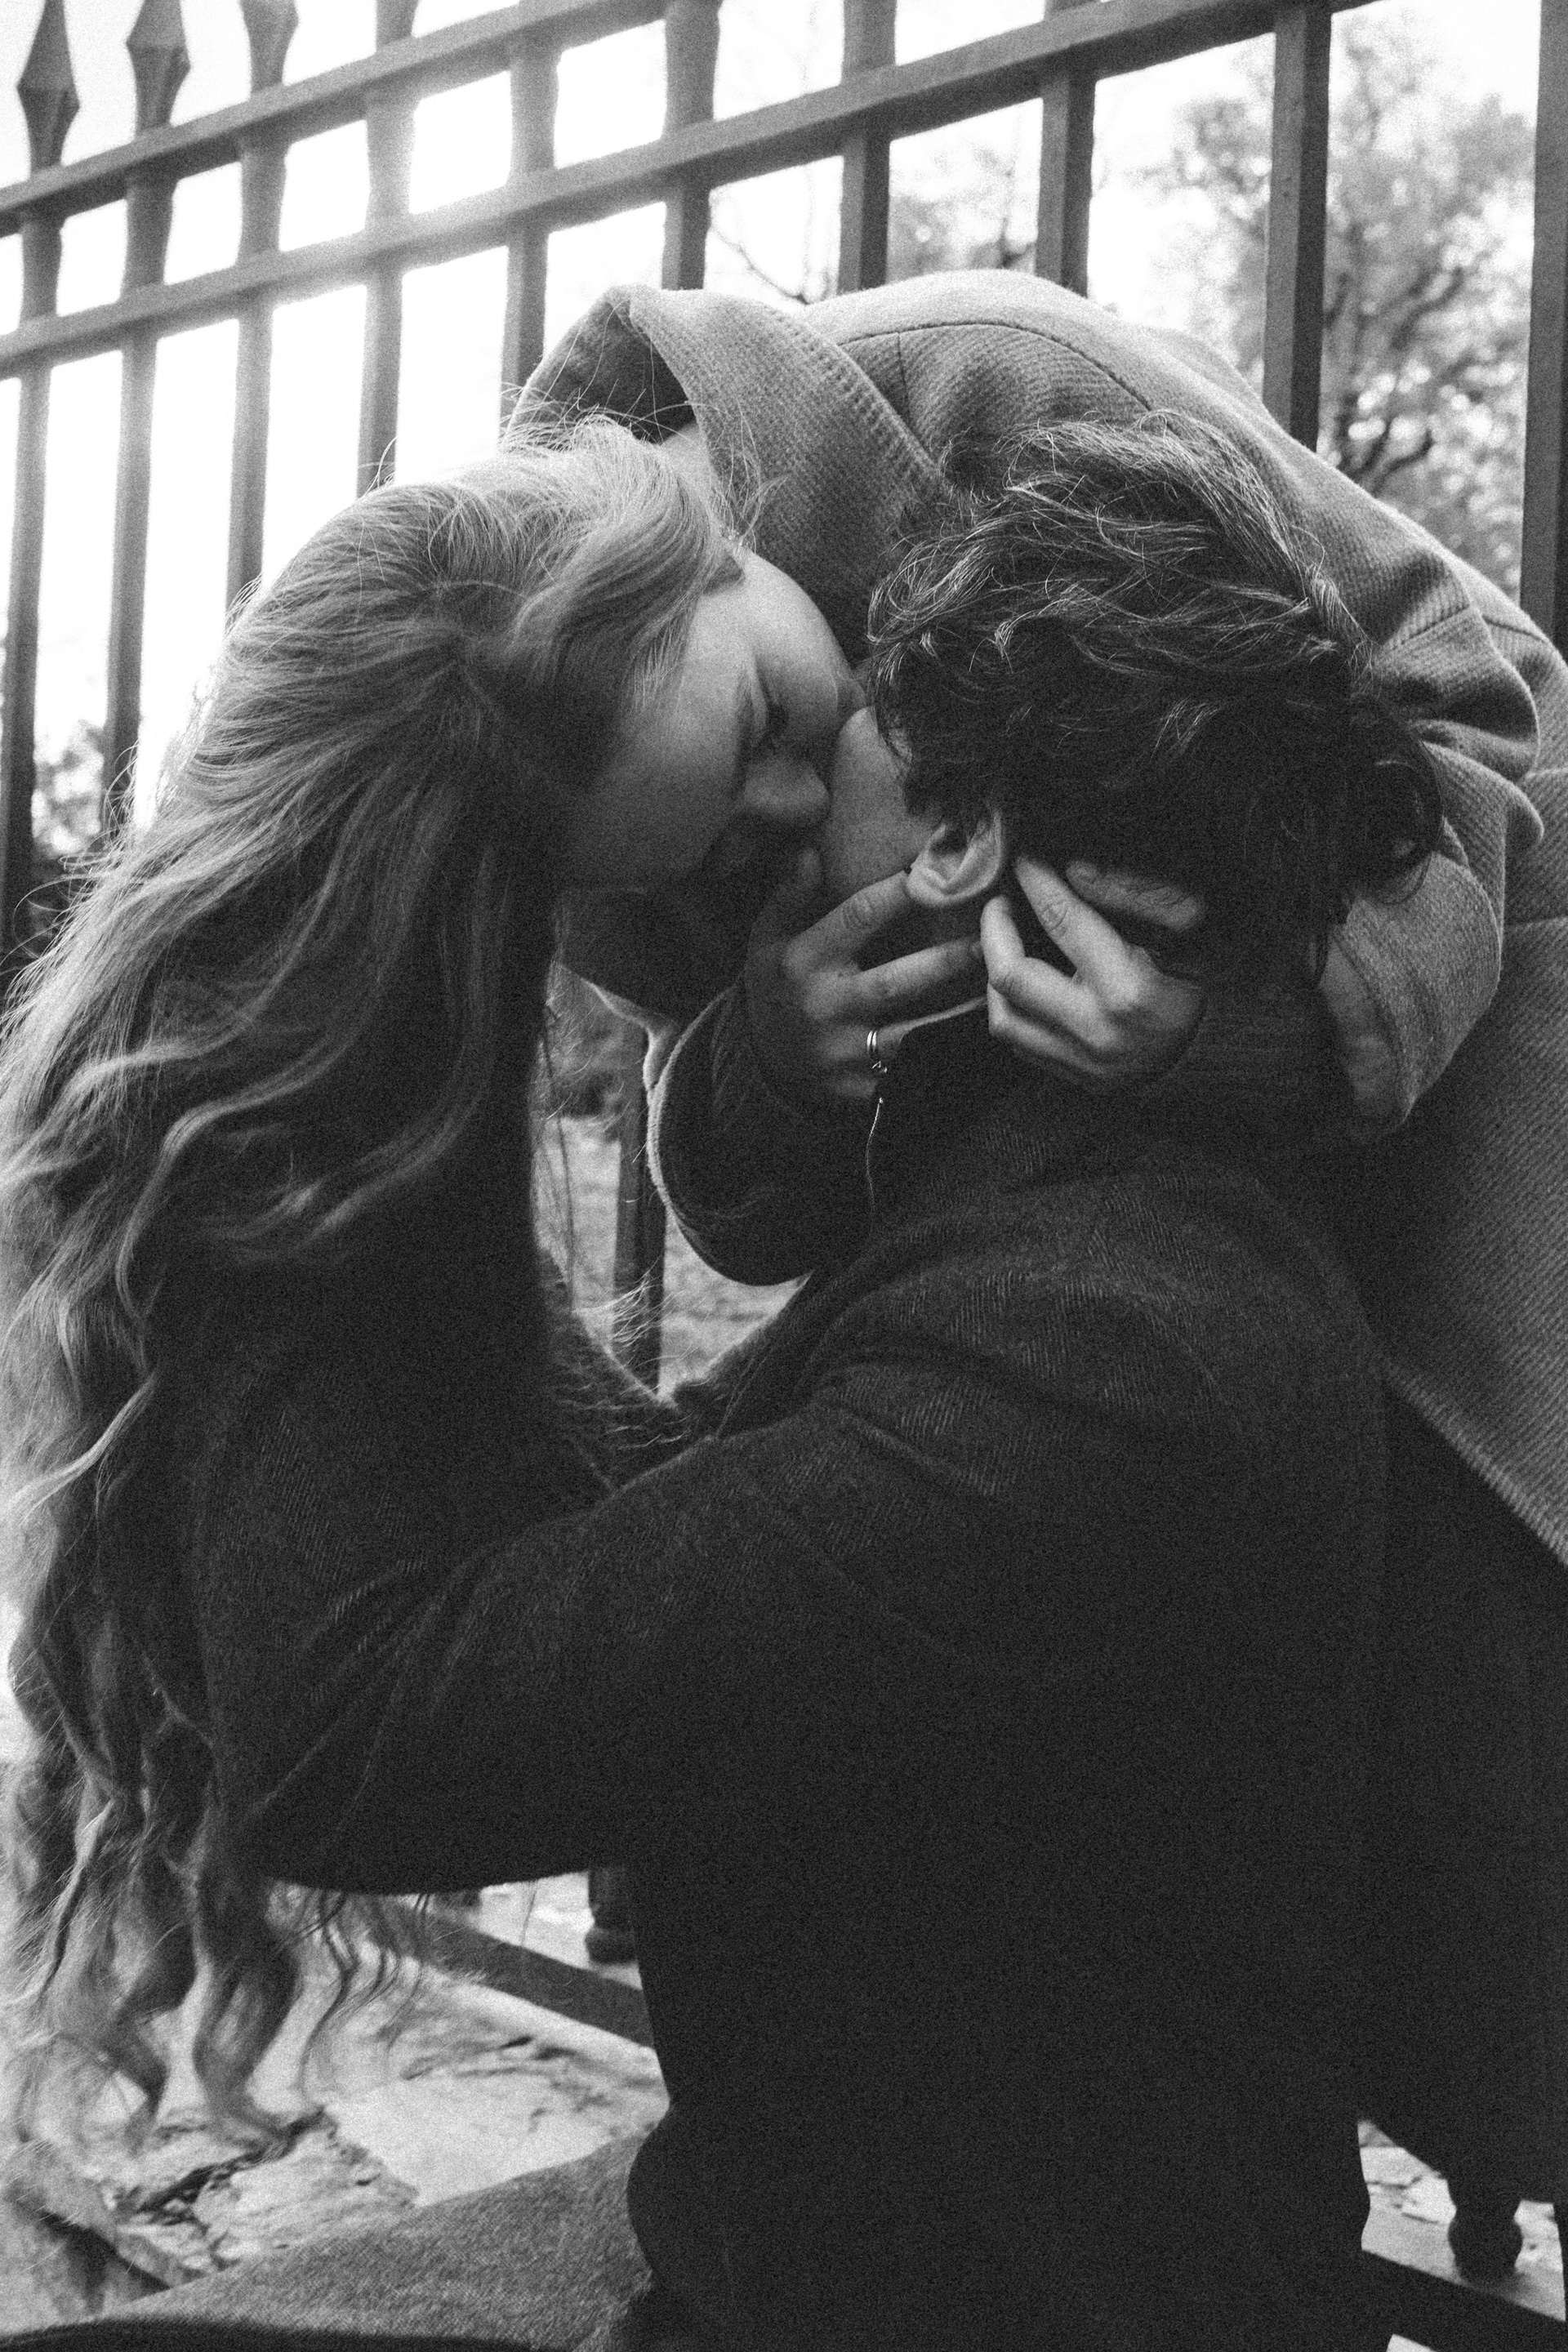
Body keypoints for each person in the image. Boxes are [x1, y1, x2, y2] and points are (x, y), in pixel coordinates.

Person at [5, 410, 1439, 2350]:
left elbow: (361, 1736)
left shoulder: (1107, 1348)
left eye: (820, 751)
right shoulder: (1049, 1231)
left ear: (956, 840)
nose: (751, 852)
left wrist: (275, 1075)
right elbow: (649, 1528)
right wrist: (374, 998)